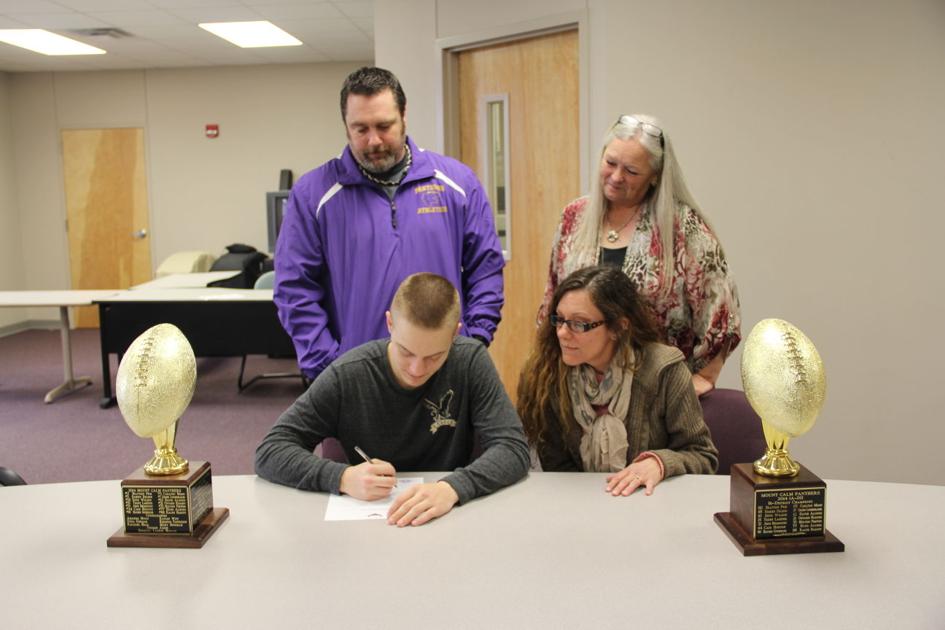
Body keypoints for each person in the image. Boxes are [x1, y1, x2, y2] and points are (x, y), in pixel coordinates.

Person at [275, 66, 505, 380]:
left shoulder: (457, 183)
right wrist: (329, 368)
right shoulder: (313, 194)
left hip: (442, 367)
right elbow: (294, 289)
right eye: (360, 129)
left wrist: (472, 343)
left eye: (384, 126)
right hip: (355, 374)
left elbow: (486, 270)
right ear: (345, 126)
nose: (374, 141)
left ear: (404, 115)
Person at [256, 273, 529, 527]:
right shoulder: (350, 373)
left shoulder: (470, 361)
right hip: (370, 524)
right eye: (406, 352)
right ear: (390, 323)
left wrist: (454, 487)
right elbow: (271, 450)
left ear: (455, 334)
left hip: (449, 518)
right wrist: (341, 477)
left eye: (434, 356)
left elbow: (513, 447)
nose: (417, 369)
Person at [540, 114, 740, 396]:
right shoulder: (574, 217)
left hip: (655, 391)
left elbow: (720, 307)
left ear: (655, 176)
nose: (617, 177)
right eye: (610, 163)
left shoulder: (683, 227)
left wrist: (705, 376)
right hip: (578, 389)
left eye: (632, 171)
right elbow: (552, 298)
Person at [520, 266, 718, 495]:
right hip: (582, 507)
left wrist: (659, 463)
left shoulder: (664, 370)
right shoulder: (549, 374)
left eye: (579, 323)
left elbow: (703, 456)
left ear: (618, 327)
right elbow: (557, 467)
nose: (562, 333)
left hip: (650, 504)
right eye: (560, 319)